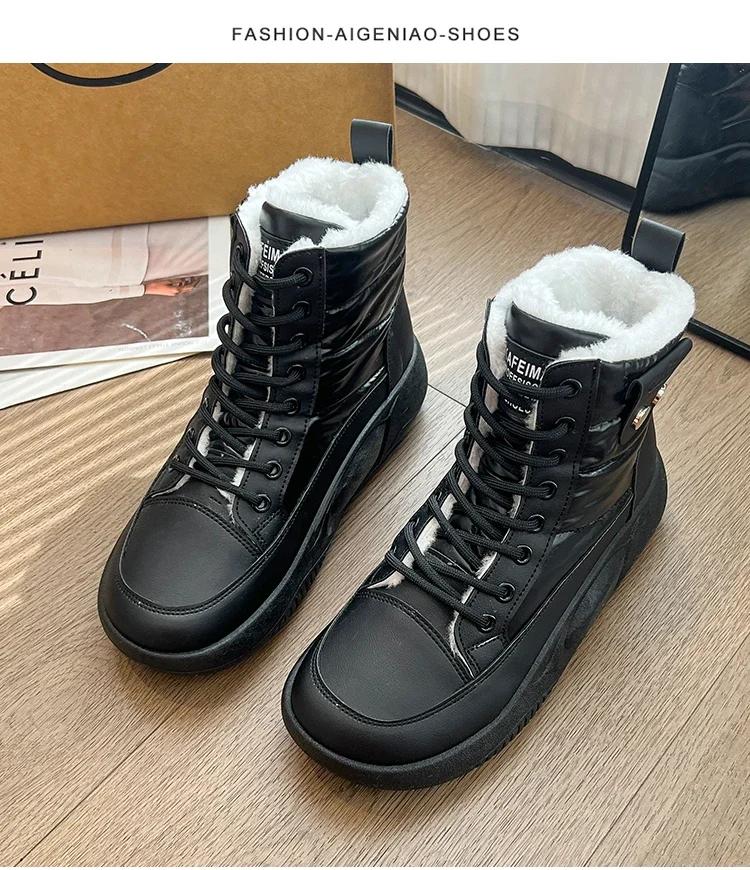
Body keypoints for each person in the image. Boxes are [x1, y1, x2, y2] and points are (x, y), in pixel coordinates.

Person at [1, 218, 208, 307]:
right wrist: (142, 289)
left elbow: (59, 292)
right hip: (125, 260)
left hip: (123, 262)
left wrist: (143, 289)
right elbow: (56, 292)